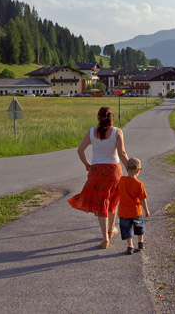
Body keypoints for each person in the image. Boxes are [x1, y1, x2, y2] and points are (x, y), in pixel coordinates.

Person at [68, 106, 129, 249]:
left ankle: (105, 237)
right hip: (113, 171)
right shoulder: (117, 132)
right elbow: (122, 153)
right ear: (112, 118)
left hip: (97, 172)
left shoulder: (91, 132)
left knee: (102, 203)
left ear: (98, 118)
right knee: (113, 199)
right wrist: (129, 168)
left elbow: (80, 150)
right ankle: (112, 228)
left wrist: (87, 165)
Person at [117, 157, 150, 255]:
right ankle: (140, 242)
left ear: (126, 169)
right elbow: (143, 199)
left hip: (123, 212)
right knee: (139, 227)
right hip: (136, 211)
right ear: (138, 170)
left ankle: (130, 246)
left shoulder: (122, 180)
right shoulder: (139, 184)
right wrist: (146, 210)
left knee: (126, 229)